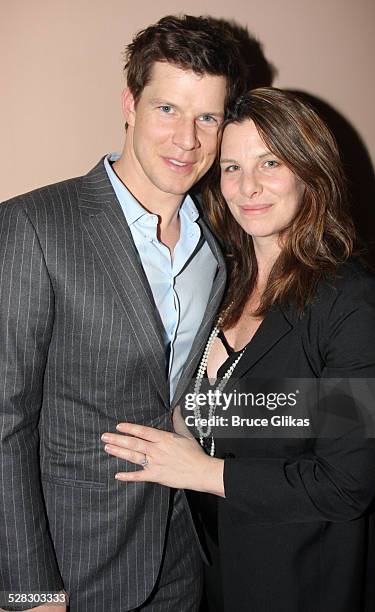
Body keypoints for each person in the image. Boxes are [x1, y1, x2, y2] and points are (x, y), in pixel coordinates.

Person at [102, 88, 375, 611]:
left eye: (271, 162)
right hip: (209, 569)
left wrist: (201, 472)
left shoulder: (354, 300)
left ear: (311, 170)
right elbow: (248, 413)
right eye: (232, 167)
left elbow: (347, 484)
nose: (248, 187)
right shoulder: (220, 277)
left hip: (300, 579)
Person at [0, 15, 246, 612]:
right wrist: (32, 591)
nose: (187, 140)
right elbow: (5, 423)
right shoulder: (34, 226)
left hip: (180, 556)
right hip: (72, 567)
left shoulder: (218, 243)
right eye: (168, 110)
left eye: (207, 117)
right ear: (130, 103)